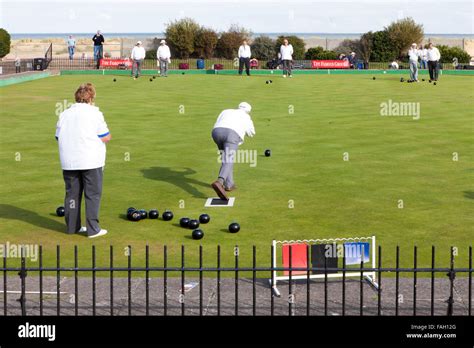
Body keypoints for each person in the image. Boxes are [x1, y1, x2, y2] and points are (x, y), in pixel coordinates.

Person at [55, 83, 111, 238]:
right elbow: (106, 136)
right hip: (91, 160)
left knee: (72, 194)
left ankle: (72, 227)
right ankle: (93, 229)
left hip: (69, 161)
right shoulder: (95, 113)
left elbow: (57, 136)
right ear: (91, 98)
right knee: (92, 194)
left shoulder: (64, 114)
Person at [211, 102, 255, 200]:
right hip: (231, 135)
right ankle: (220, 181)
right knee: (229, 159)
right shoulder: (246, 116)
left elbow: (218, 122)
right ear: (248, 111)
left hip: (216, 132)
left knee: (225, 159)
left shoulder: (226, 111)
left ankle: (229, 185)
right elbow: (252, 133)